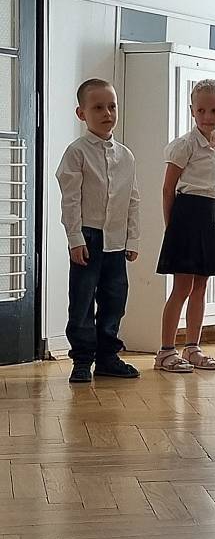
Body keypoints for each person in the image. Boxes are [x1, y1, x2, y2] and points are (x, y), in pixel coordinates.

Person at [56, 78, 140, 383]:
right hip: (88, 237)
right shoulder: (76, 153)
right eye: (98, 108)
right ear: (82, 113)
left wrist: (132, 237)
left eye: (112, 106)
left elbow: (132, 198)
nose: (107, 113)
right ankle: (82, 360)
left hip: (116, 239)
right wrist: (74, 238)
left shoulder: (126, 156)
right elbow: (70, 199)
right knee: (82, 300)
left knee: (114, 299)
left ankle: (107, 357)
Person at [154, 79, 215, 373]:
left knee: (201, 285)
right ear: (192, 110)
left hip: (208, 215)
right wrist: (171, 228)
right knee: (182, 286)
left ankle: (193, 347)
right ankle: (165, 351)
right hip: (185, 217)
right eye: (202, 110)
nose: (208, 117)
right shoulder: (184, 145)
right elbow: (167, 189)